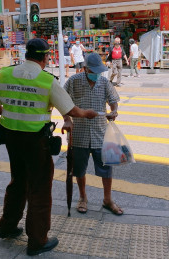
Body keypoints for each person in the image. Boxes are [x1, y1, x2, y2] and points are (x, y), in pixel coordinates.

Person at [0, 38, 98, 256]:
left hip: (12, 138)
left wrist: (14, 114)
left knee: (18, 182)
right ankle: (37, 241)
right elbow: (71, 110)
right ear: (45, 57)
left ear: (26, 54)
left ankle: (7, 227)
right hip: (36, 142)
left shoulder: (6, 74)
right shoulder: (46, 80)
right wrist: (87, 113)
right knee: (39, 189)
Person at [63, 52, 124, 216]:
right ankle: (83, 197)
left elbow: (113, 100)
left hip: (100, 134)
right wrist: (67, 119)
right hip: (79, 134)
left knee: (106, 169)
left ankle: (107, 199)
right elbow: (63, 102)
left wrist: (114, 111)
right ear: (85, 69)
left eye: (98, 71)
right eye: (93, 71)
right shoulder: (73, 81)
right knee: (79, 170)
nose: (96, 75)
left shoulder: (104, 82)